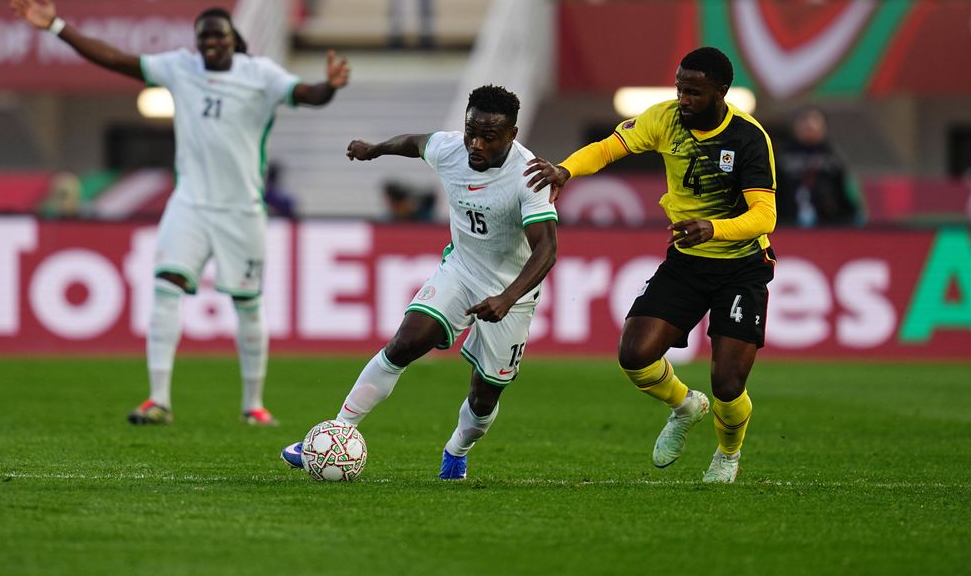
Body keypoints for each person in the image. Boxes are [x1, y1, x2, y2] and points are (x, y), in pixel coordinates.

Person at [9, 0, 350, 427]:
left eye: (218, 36)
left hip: (242, 210)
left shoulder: (260, 75)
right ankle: (158, 400)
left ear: (233, 39)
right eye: (203, 37)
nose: (210, 44)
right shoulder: (181, 67)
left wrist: (330, 87)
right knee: (166, 288)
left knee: (247, 303)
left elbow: (307, 93)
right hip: (189, 203)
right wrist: (58, 27)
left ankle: (253, 404)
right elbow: (116, 59)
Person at [525, 47, 776, 484]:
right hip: (687, 261)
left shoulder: (749, 138)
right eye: (680, 89)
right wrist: (566, 170)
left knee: (728, 384)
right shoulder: (664, 118)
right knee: (635, 354)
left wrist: (713, 228)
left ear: (721, 92)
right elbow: (608, 148)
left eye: (694, 92)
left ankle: (727, 453)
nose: (683, 99)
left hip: (742, 267)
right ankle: (684, 406)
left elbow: (765, 217)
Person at [282, 85, 558, 479]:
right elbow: (414, 143)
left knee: (483, 397)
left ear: (512, 134)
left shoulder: (530, 177)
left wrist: (507, 297)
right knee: (404, 343)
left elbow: (546, 249)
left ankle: (457, 450)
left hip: (512, 291)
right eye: (471, 132)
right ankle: (338, 431)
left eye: (489, 137)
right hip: (460, 270)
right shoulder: (451, 148)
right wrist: (375, 149)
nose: (476, 145)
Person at [776, 106, 862, 228]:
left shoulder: (834, 159)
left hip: (828, 224)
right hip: (787, 224)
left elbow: (846, 196)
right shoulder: (782, 158)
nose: (809, 125)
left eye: (815, 120)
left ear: (824, 127)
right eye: (804, 120)